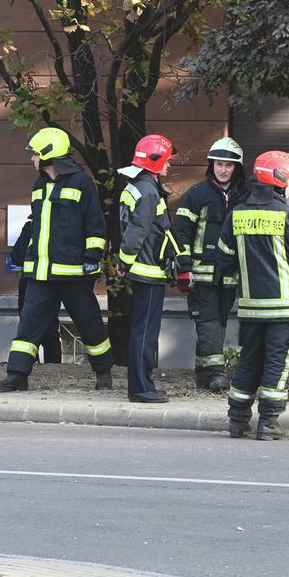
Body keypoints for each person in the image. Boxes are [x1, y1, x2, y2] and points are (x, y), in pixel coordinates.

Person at [0, 127, 114, 392]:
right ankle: (17, 375)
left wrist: (92, 257)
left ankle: (103, 373)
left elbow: (95, 224)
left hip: (73, 273)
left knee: (90, 324)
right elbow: (36, 227)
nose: (32, 159)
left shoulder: (82, 183)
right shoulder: (39, 185)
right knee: (28, 326)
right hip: (41, 274)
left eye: (36, 154)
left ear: (49, 154)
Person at [217, 151, 289, 440]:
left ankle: (237, 421)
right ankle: (269, 423)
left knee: (248, 362)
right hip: (285, 310)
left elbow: (224, 263)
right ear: (279, 180)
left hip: (251, 309)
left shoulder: (236, 215)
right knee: (277, 365)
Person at [170, 137, 247, 393]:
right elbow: (181, 233)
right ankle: (216, 374)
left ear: (237, 167)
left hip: (230, 276)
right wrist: (184, 268)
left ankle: (203, 374)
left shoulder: (245, 196)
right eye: (218, 164)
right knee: (209, 323)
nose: (223, 169)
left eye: (228, 165)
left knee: (217, 324)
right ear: (211, 165)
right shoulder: (196, 194)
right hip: (200, 276)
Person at [117, 134, 182, 403]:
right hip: (148, 271)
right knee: (145, 332)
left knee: (141, 329)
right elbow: (138, 230)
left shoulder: (137, 186)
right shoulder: (149, 191)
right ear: (155, 162)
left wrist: (124, 263)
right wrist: (124, 262)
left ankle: (142, 384)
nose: (169, 165)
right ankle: (141, 388)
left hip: (143, 269)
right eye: (166, 160)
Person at [9, 213, 61, 363]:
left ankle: (29, 363)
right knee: (50, 329)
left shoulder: (31, 227)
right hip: (52, 281)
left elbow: (17, 256)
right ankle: (53, 366)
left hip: (30, 282)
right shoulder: (60, 228)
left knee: (28, 327)